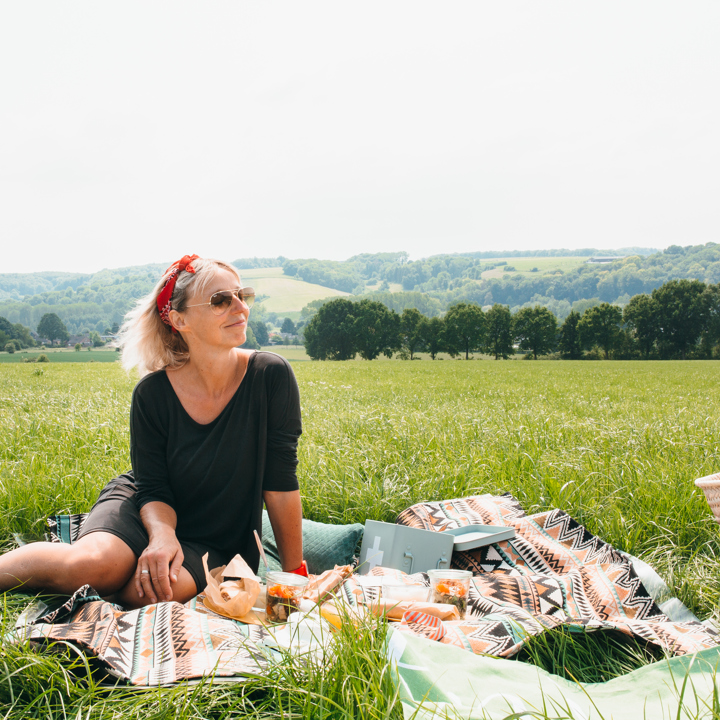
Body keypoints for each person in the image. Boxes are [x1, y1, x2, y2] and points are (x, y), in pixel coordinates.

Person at [0, 254, 304, 608]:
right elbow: (153, 484)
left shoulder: (270, 375)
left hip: (217, 537)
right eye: (221, 300)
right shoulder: (153, 393)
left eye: (242, 295)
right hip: (147, 506)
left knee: (150, 593)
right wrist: (162, 536)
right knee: (91, 566)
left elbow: (280, 483)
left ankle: (114, 577)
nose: (240, 307)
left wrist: (294, 574)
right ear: (179, 319)